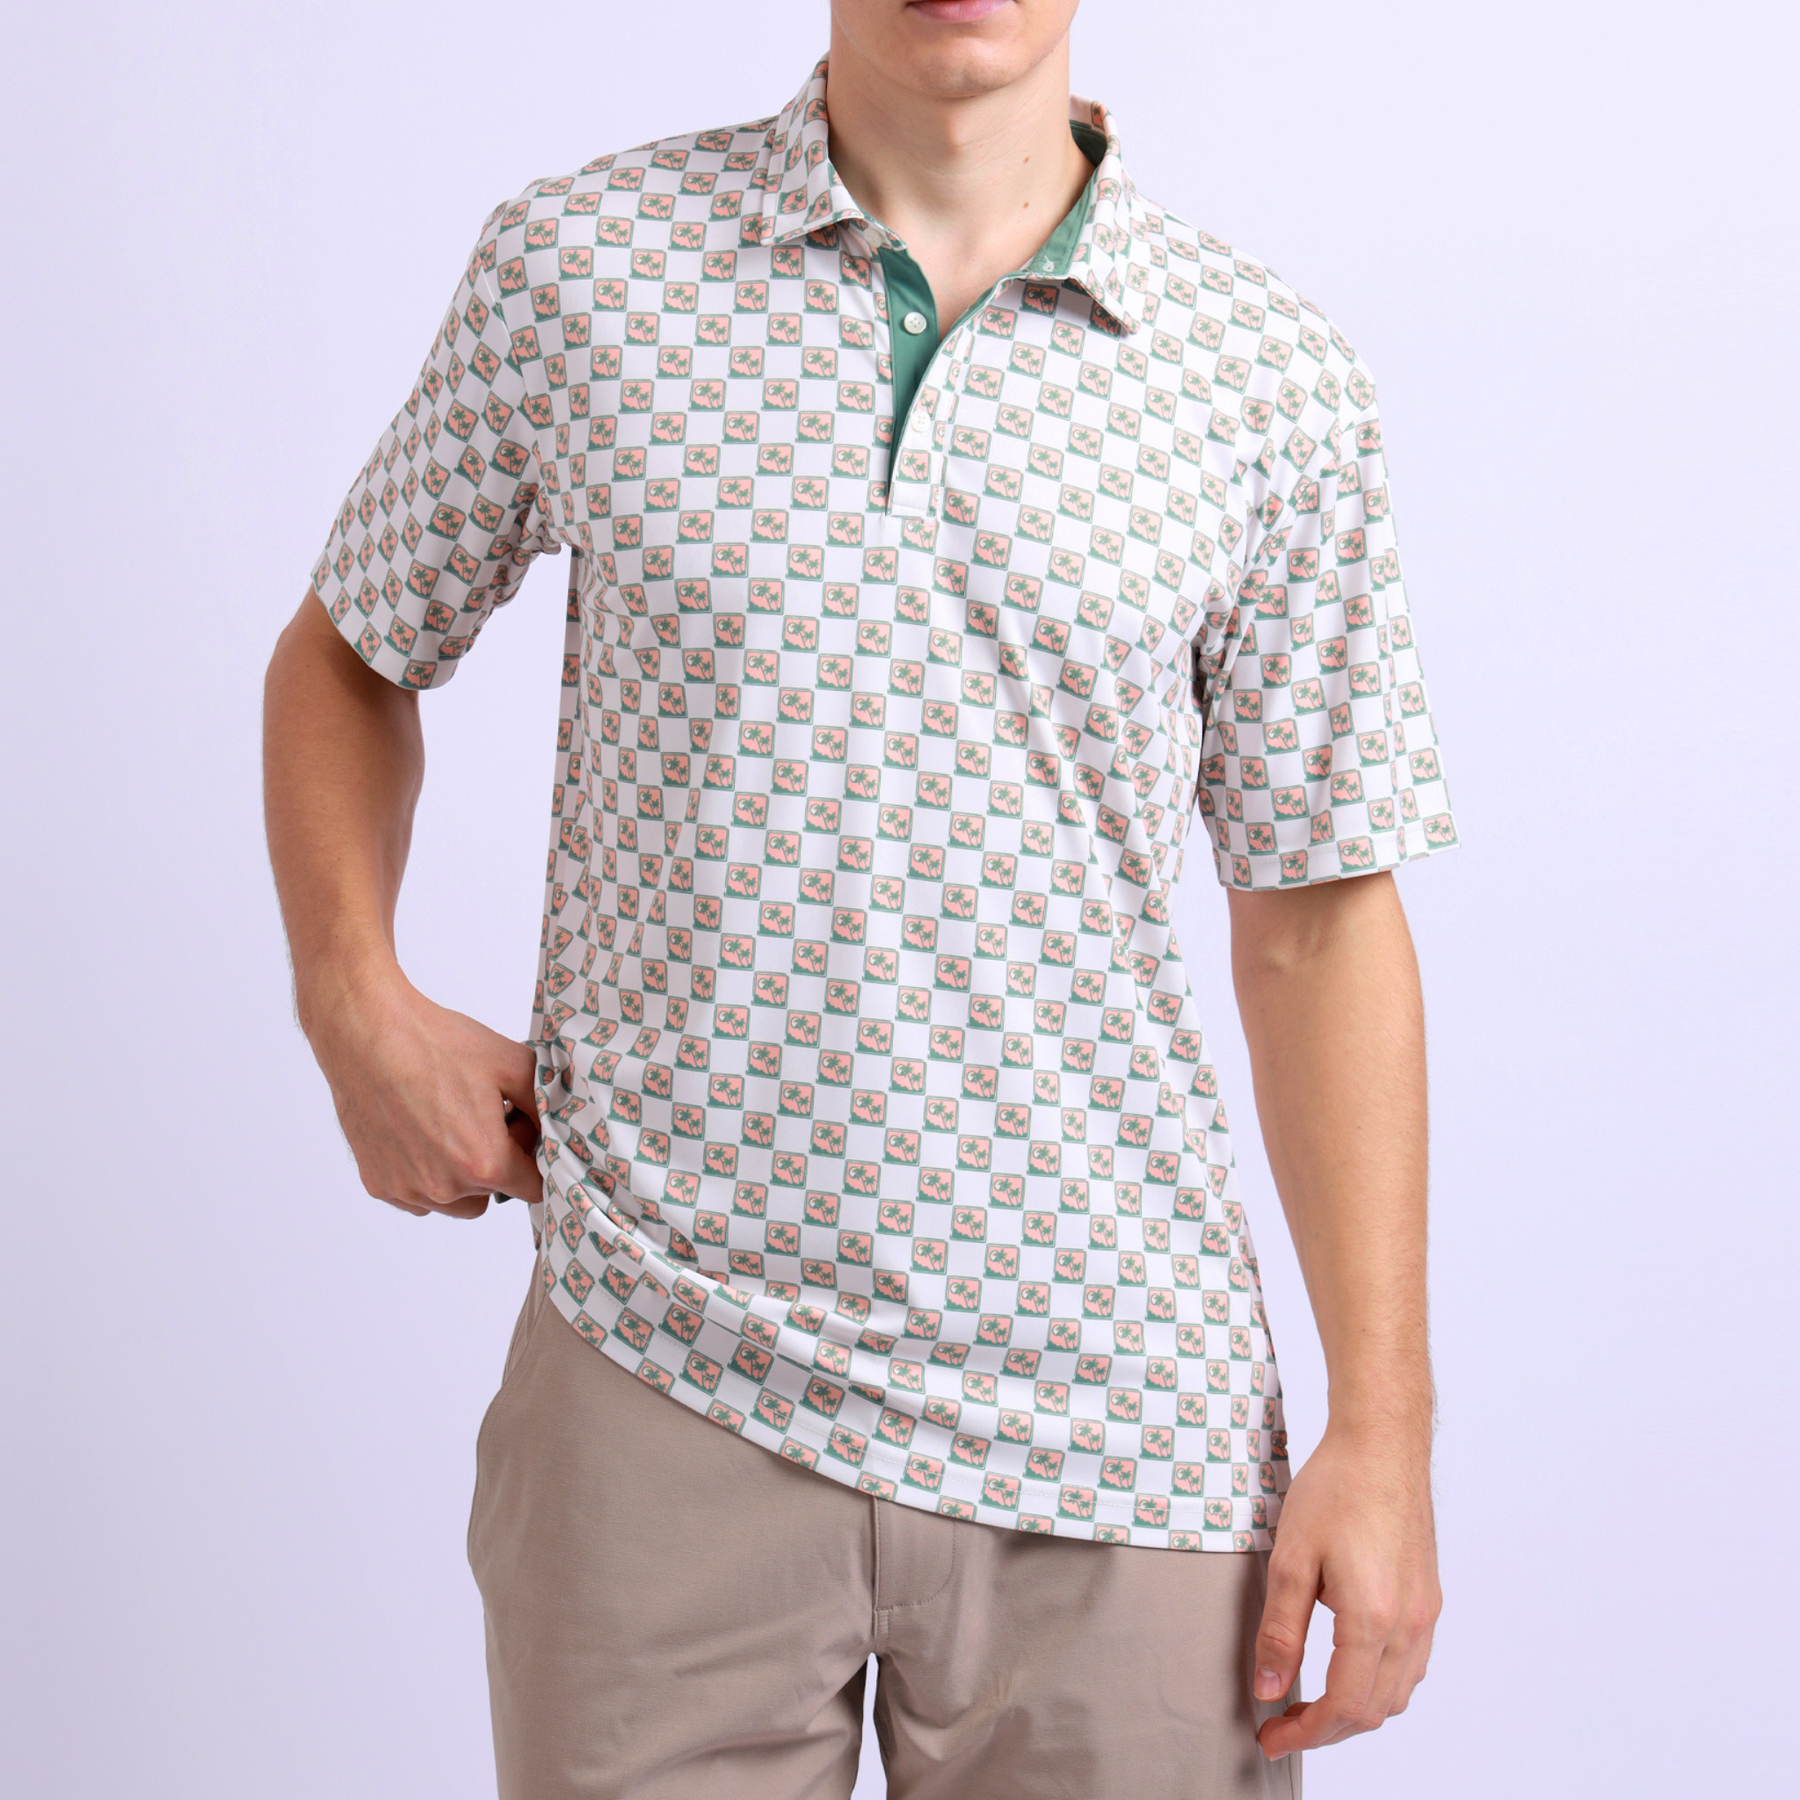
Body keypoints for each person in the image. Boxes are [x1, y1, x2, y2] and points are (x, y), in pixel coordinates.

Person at [263, 2, 1456, 1794]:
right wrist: (354, 1002)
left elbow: (1319, 920)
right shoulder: (586, 271)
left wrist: (1387, 1427)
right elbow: (351, 649)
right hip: (663, 1370)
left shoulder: (1266, 377)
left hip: (1120, 1429)